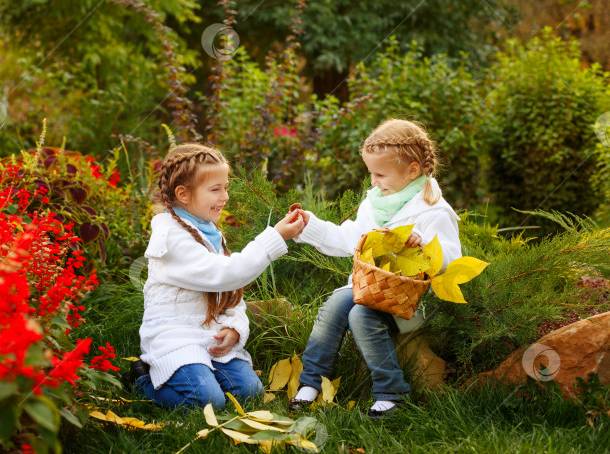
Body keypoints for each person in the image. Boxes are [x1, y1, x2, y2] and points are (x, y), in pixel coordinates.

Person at [289, 118, 462, 419]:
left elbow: (452, 258)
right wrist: (310, 225)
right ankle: (311, 382)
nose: (373, 182)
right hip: (371, 289)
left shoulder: (433, 210)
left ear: (412, 170)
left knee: (361, 314)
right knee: (334, 305)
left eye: (380, 174)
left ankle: (391, 393)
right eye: (371, 173)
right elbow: (352, 239)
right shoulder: (376, 203)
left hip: (411, 300)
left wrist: (425, 247)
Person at [130, 143, 305, 409]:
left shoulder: (208, 231)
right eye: (215, 190)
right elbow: (227, 275)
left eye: (225, 187)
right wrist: (275, 237)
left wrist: (234, 328)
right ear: (183, 194)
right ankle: (143, 381)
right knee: (208, 401)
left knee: (249, 393)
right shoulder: (171, 239)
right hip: (176, 338)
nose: (225, 196)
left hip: (209, 337)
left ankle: (200, 375)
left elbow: (230, 294)